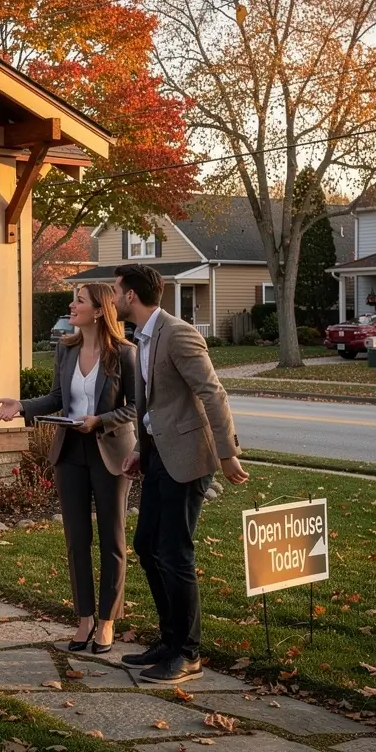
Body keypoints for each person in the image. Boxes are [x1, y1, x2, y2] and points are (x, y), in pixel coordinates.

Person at [112, 263, 249, 684]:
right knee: (147, 545)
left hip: (188, 456)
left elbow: (212, 392)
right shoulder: (143, 337)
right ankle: (170, 640)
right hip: (158, 455)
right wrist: (140, 450)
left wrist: (228, 453)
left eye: (116, 291)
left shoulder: (178, 333)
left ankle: (188, 654)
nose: (112, 299)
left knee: (174, 552)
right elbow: (155, 405)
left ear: (131, 295)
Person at [0, 283, 137, 654]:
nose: (71, 306)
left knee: (112, 539)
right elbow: (57, 397)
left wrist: (100, 420)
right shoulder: (66, 348)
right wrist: (21, 406)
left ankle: (107, 620)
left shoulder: (125, 353)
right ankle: (85, 618)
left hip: (110, 452)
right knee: (76, 538)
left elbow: (137, 406)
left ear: (99, 310)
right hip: (70, 451)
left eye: (79, 301)